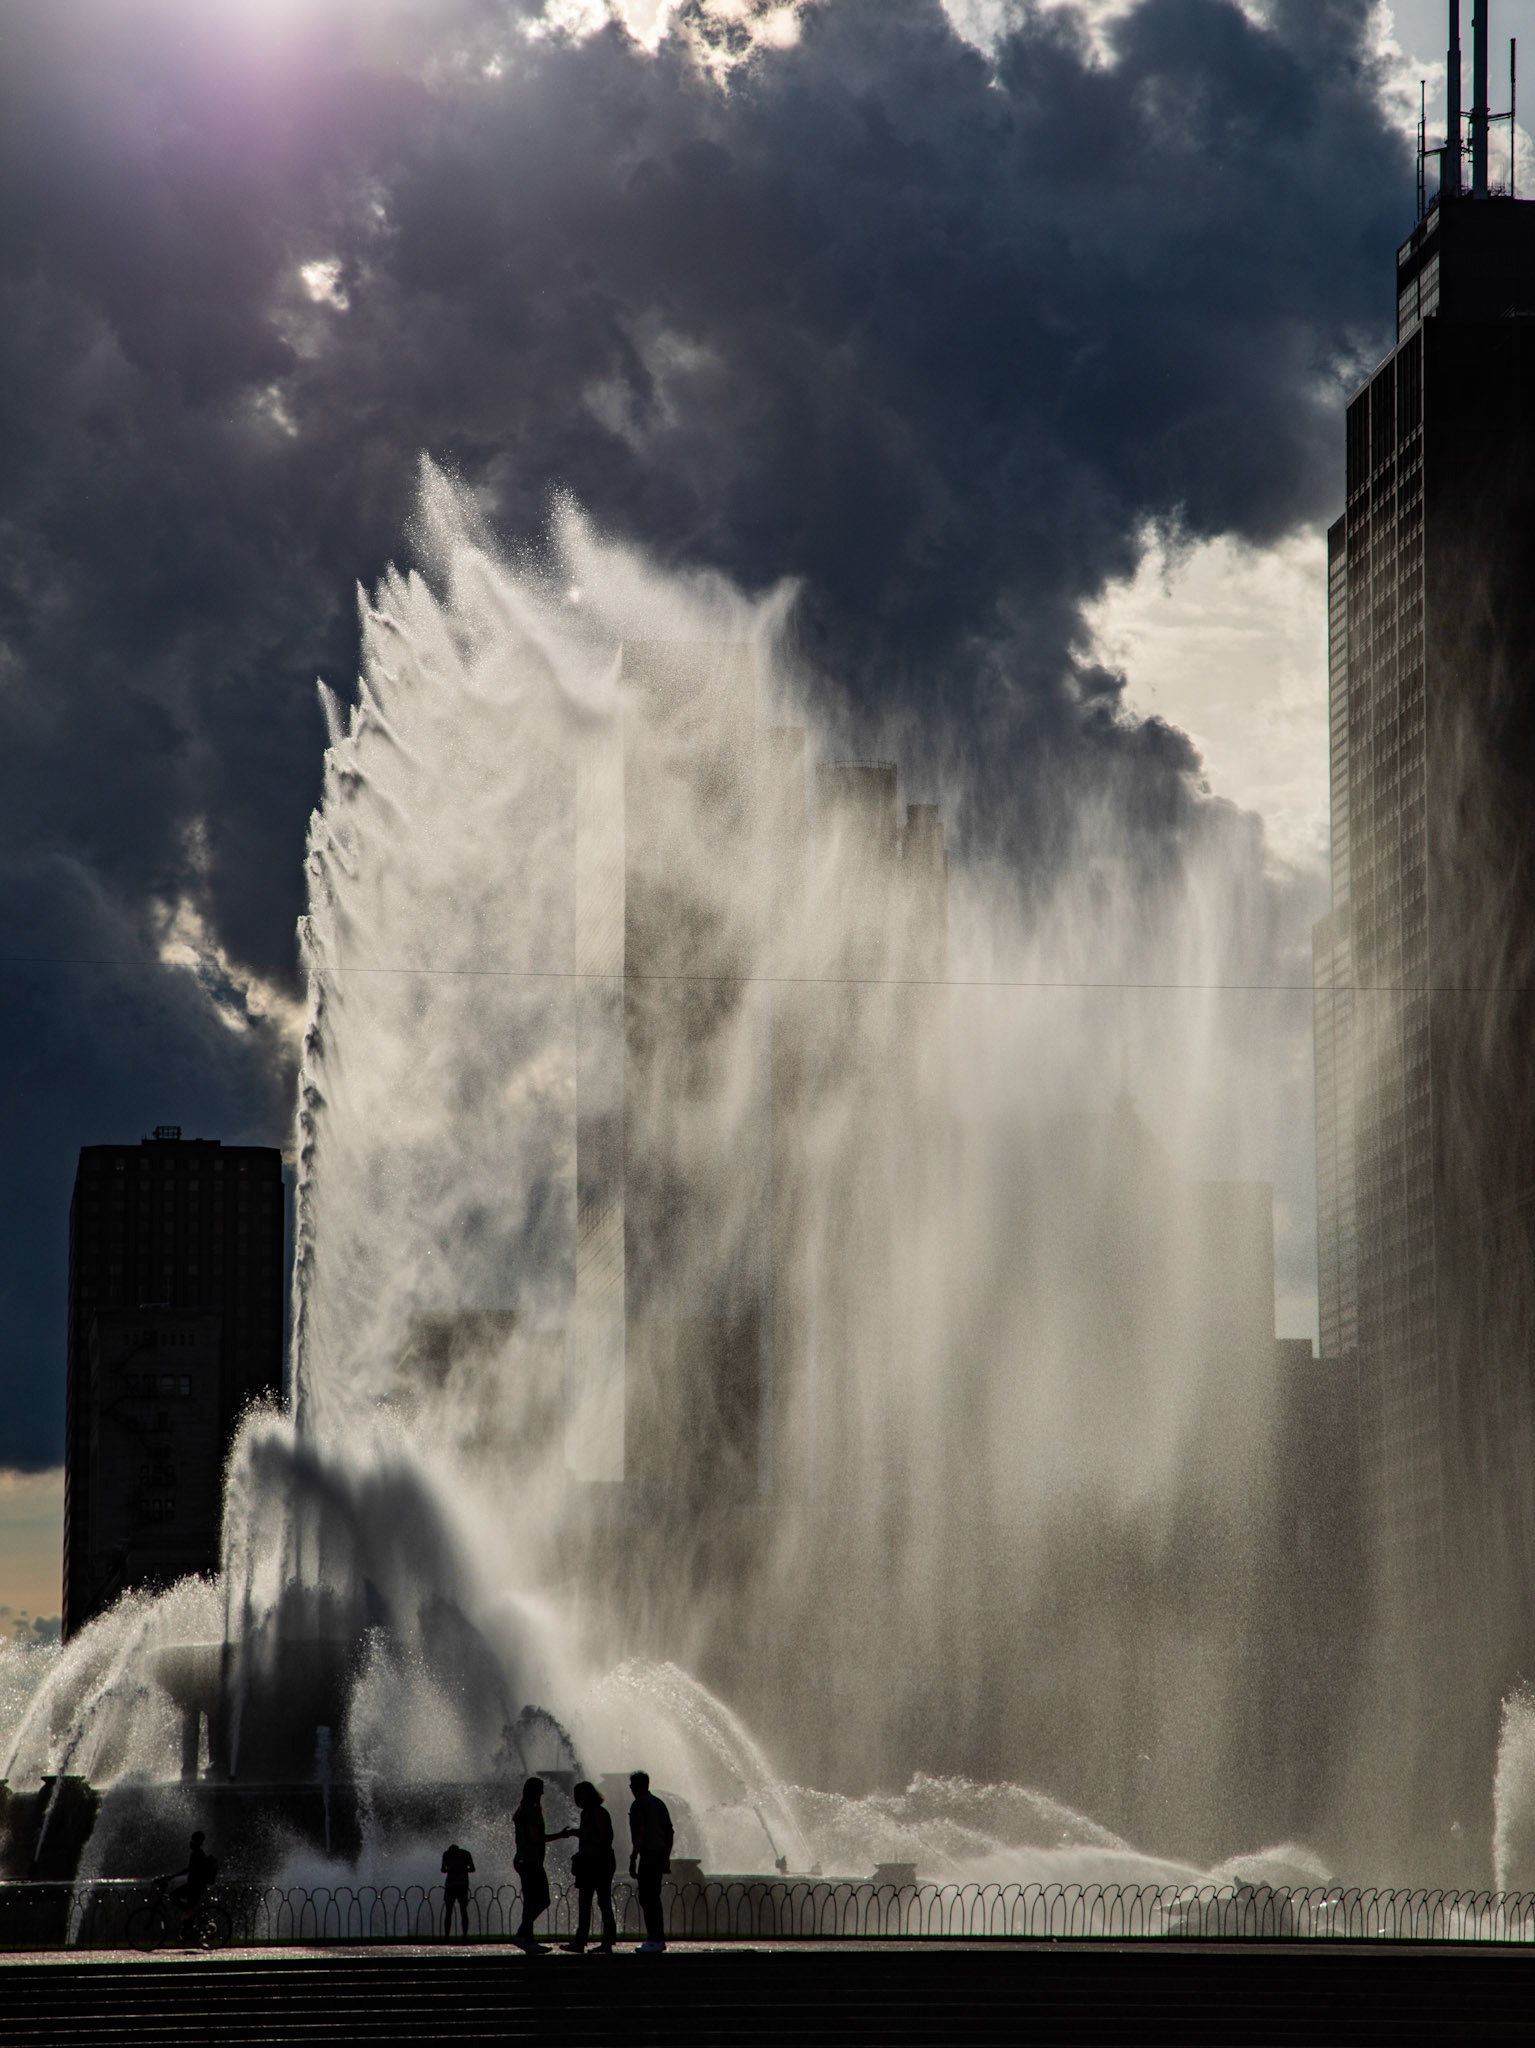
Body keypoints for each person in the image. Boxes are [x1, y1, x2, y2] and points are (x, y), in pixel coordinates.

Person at [549, 1781, 616, 1954]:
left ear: (590, 1795)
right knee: (584, 1902)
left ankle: (607, 1942)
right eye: (577, 1795)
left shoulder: (600, 1813)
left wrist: (582, 1834)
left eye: (581, 1795)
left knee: (603, 1902)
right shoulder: (586, 1814)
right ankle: (580, 1942)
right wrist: (576, 1833)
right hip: (587, 1863)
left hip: (601, 1862)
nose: (578, 1798)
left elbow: (605, 1839)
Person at [627, 1770, 673, 1954]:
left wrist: (633, 1857)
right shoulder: (658, 1803)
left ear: (635, 1786)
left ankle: (654, 1939)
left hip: (648, 1855)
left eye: (631, 1786)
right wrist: (666, 1857)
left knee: (647, 1898)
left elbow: (640, 1832)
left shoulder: (639, 1804)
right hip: (659, 1854)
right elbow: (669, 1833)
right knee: (654, 1897)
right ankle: (657, 1938)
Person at [512, 1776, 552, 1952]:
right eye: (541, 1789)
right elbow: (536, 1837)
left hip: (524, 1859)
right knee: (541, 1899)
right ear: (535, 1791)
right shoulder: (532, 1811)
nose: (543, 1792)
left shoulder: (523, 1809)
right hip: (530, 1860)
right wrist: (561, 1835)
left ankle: (526, 1938)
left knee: (532, 1901)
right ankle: (524, 1936)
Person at [167, 1830, 218, 1933]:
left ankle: (190, 1915)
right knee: (186, 1906)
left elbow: (190, 1869)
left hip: (195, 1886)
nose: (191, 1842)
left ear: (198, 1841)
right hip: (195, 1886)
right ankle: (188, 1931)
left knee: (173, 1896)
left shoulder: (197, 1853)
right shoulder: (198, 1852)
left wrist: (172, 1876)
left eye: (193, 1840)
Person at [440, 1842, 475, 1938]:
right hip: (462, 1884)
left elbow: (443, 1869)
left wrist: (452, 1869)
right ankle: (464, 1934)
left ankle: (447, 1935)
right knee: (463, 1910)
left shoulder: (447, 1854)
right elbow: (472, 1869)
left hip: (451, 1885)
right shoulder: (465, 1854)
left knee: (449, 1911)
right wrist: (463, 1869)